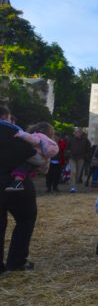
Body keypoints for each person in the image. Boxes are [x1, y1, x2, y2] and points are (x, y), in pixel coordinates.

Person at [0, 105, 39, 273]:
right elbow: (32, 154)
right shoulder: (11, 130)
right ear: (6, 117)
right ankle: (16, 262)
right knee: (25, 219)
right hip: (15, 180)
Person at [7, 122, 59, 192]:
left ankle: (17, 183)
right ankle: (32, 173)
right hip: (41, 160)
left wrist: (21, 134)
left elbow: (34, 140)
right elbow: (47, 158)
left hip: (34, 156)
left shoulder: (38, 135)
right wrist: (45, 170)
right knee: (30, 167)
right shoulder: (48, 140)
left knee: (21, 167)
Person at [65, 127, 91, 193]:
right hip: (72, 158)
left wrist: (86, 156)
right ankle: (72, 187)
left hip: (81, 158)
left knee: (78, 174)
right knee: (73, 171)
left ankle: (75, 184)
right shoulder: (70, 139)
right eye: (75, 132)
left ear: (81, 133)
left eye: (77, 132)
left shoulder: (85, 140)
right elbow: (66, 148)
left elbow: (89, 149)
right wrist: (68, 154)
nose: (75, 133)